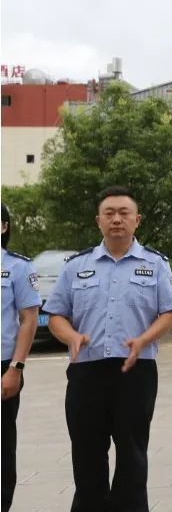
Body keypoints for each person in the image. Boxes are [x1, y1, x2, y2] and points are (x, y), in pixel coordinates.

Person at [44, 186, 172, 512]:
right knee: (87, 453)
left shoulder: (156, 264)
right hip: (86, 371)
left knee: (132, 454)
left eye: (123, 213)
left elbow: (169, 313)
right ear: (98, 221)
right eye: (109, 213)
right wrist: (72, 337)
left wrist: (145, 339)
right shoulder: (77, 265)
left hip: (136, 371)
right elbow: (56, 315)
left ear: (137, 220)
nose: (116, 219)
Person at [1, 203, 41, 512]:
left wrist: (16, 367)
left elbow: (28, 319)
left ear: (3, 227)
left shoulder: (17, 267)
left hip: (4, 366)